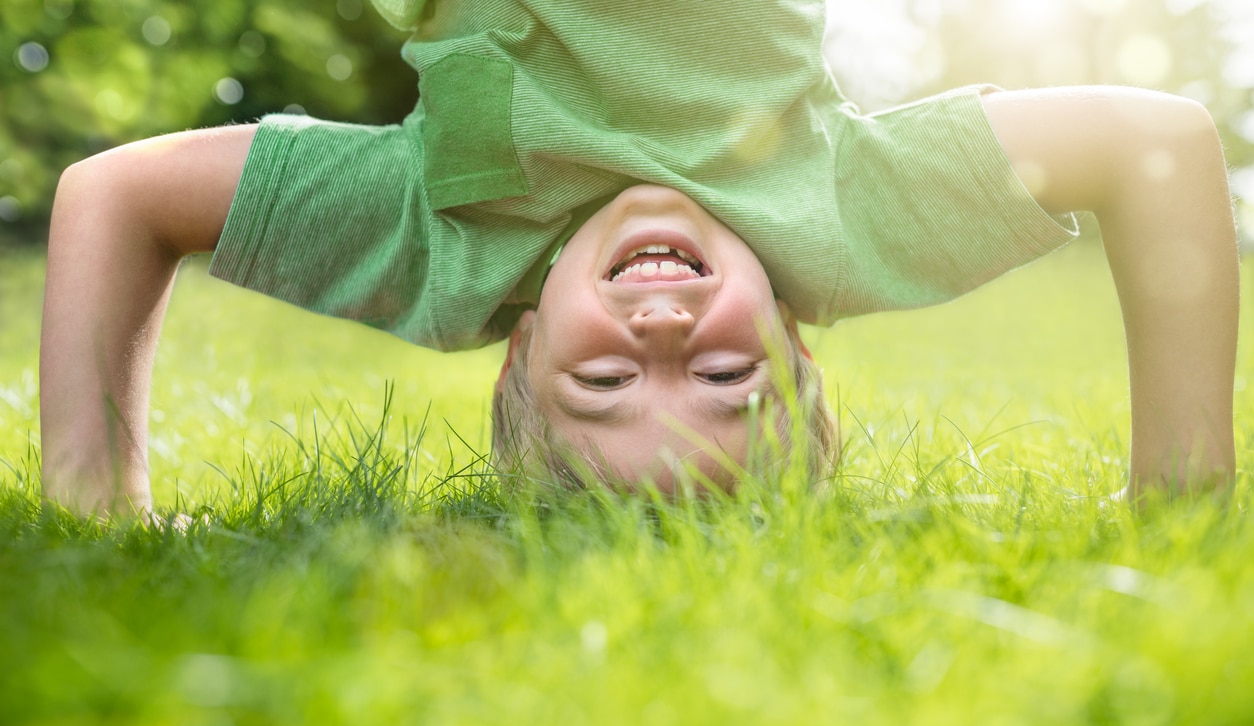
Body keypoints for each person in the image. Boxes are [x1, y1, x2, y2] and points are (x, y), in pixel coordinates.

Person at [39, 0, 1238, 517]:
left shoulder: (437, 245)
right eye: (729, 383)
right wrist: (1180, 488)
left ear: (518, 349)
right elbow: (1157, 146)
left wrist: (98, 502)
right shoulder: (850, 220)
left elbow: (111, 194)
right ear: (796, 340)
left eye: (603, 386)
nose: (664, 343)